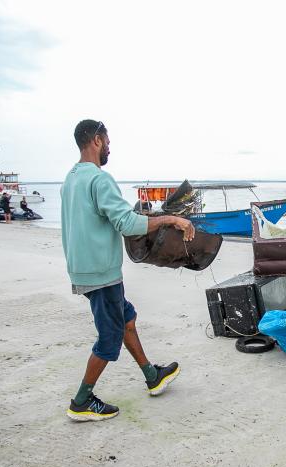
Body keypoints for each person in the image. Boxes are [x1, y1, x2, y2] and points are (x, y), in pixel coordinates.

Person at [61, 119, 195, 422]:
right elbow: (128, 224)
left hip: (83, 268)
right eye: (107, 140)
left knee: (127, 319)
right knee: (109, 338)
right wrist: (171, 219)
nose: (110, 146)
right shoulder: (99, 179)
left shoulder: (70, 179)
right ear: (96, 140)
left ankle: (152, 375)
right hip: (101, 273)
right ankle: (81, 401)